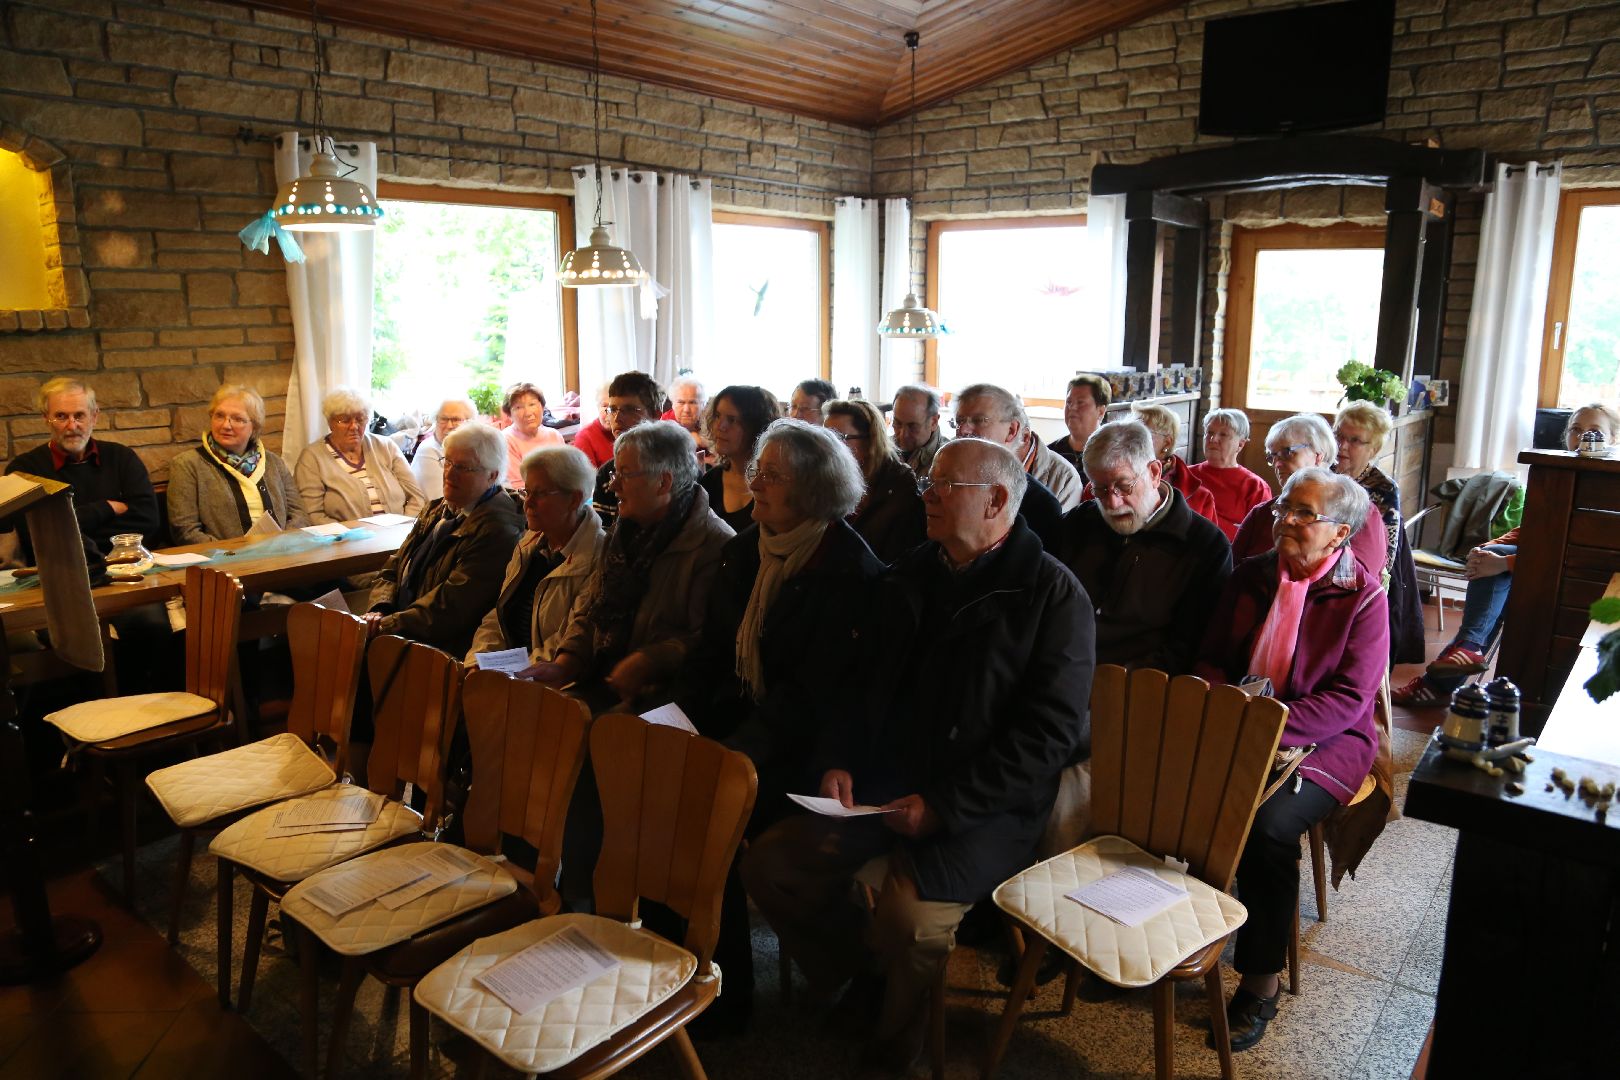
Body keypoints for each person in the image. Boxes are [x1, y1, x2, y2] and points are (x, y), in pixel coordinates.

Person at [743, 438, 1094, 1076]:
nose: (925, 494)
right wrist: (838, 759)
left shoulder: (1051, 596)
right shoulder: (909, 575)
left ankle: (896, 1031)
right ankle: (869, 976)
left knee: (908, 920)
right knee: (773, 866)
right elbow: (853, 686)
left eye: (943, 485)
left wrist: (945, 807)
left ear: (995, 500)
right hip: (884, 787)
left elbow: (1048, 737)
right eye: (929, 481)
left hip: (983, 807)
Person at [680, 419, 884, 1035]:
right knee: (656, 774)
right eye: (755, 472)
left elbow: (812, 697)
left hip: (811, 752)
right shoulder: (746, 549)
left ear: (814, 490)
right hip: (749, 726)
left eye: (772, 476)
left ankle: (726, 996)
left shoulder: (852, 573)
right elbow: (712, 653)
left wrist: (729, 755)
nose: (754, 484)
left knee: (705, 815)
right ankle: (685, 967)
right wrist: (683, 722)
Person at [1195, 467, 1387, 1052]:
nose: (1286, 521)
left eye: (1305, 513)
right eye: (1284, 509)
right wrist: (1226, 704)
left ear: (1341, 533)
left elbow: (1349, 700)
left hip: (1327, 740)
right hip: (1240, 719)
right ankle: (1170, 932)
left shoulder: (1363, 596)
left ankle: (1260, 979)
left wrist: (1266, 724)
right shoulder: (1251, 575)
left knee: (1268, 829)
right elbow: (1211, 658)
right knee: (1170, 796)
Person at [1394, 402, 1620, 706]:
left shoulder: (1609, 483)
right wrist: (1488, 550)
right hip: (1547, 564)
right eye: (1576, 430)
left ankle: (1450, 669)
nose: (1582, 439)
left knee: (1499, 576)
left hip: (1584, 579)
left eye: (1594, 432)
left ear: (1613, 439)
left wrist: (1505, 562)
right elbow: (1534, 531)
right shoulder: (1563, 475)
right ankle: (1459, 660)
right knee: (1497, 572)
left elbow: (1578, 551)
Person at [530, 420, 734, 710]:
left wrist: (649, 660)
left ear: (663, 482)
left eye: (624, 474)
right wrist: (565, 663)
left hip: (660, 700)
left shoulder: (713, 545)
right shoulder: (623, 532)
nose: (612, 484)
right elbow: (591, 608)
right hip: (600, 679)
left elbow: (707, 644)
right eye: (615, 472)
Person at [1058, 421, 1231, 674]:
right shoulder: (1077, 524)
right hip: (1062, 672)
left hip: (1139, 689)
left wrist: (1111, 685)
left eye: (1124, 486)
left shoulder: (1206, 546)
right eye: (1100, 489)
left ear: (1154, 473)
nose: (1113, 503)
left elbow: (1187, 647)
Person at [365, 422, 523, 657]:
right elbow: (396, 564)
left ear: (492, 475)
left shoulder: (498, 529)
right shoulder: (438, 509)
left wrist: (384, 626)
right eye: (447, 461)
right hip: (403, 627)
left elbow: (449, 609)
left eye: (462, 467)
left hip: (443, 649)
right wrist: (379, 608)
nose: (449, 473)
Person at [467, 445, 605, 667]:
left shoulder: (598, 555)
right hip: (513, 672)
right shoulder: (529, 544)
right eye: (527, 491)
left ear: (574, 499)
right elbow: (499, 616)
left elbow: (568, 640)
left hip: (552, 679)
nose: (527, 503)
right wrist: (478, 661)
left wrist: (513, 677)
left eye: (540, 493)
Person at [3, 377, 160, 559]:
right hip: (60, 573)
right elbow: (36, 538)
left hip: (128, 565)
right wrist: (106, 508)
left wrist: (70, 526)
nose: (72, 425)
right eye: (61, 416)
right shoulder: (24, 471)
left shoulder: (122, 458)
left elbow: (149, 522)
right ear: (46, 418)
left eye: (79, 415)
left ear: (94, 417)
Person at [1232, 413, 1388, 581]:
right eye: (1272, 456)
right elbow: (1233, 571)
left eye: (1287, 452)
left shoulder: (1359, 512)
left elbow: (1359, 582)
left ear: (1318, 455)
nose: (1277, 464)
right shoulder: (1263, 513)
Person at [168, 384, 310, 544]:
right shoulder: (187, 465)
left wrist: (284, 545)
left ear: (254, 426)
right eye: (219, 416)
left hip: (283, 554)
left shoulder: (274, 462)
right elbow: (184, 531)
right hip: (224, 561)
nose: (226, 425)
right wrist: (234, 553)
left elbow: (300, 515)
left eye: (237, 419)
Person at [295, 387, 425, 525]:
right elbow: (312, 514)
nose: (354, 426)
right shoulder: (312, 458)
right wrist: (350, 536)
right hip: (345, 542)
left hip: (398, 537)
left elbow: (416, 497)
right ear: (330, 422)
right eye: (345, 420)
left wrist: (404, 527)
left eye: (360, 419)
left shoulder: (386, 446)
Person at [824, 398, 926, 563]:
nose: (827, 447)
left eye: (838, 438)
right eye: (825, 437)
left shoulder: (899, 488)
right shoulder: (827, 480)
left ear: (870, 441)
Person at [954, 382, 1084, 511]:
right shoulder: (950, 464)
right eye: (959, 421)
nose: (963, 430)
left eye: (978, 420)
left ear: (1012, 430)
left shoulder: (1063, 478)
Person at [700, 385, 780, 533]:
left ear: (755, 427)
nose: (720, 426)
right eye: (717, 416)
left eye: (732, 420)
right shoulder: (710, 481)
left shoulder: (773, 485)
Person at [589, 372, 662, 527]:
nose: (617, 419)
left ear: (655, 415)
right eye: (613, 409)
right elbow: (603, 534)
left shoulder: (672, 466)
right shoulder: (606, 474)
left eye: (629, 409)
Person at [1188, 407, 1271, 542]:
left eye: (1223, 434)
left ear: (1240, 444)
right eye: (1209, 433)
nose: (1213, 439)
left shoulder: (1255, 487)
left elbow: (1260, 538)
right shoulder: (1186, 474)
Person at [1129, 402, 1218, 526]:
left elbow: (1208, 543)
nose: (1132, 439)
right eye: (1130, 432)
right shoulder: (1109, 478)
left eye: (1143, 433)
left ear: (1167, 443)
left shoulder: (1201, 498)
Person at [410, 398, 475, 502]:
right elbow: (442, 500)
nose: (449, 425)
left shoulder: (473, 449)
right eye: (443, 419)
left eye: (456, 419)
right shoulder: (428, 451)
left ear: (470, 423)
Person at [501, 382, 564, 488]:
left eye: (532, 404)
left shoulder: (555, 436)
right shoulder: (506, 440)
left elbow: (566, 474)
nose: (528, 413)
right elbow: (518, 486)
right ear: (509, 414)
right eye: (518, 407)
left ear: (542, 407)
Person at [1048, 373, 1110, 479]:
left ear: (1101, 411)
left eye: (1080, 402)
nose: (1072, 407)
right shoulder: (1050, 453)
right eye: (1069, 402)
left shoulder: (1112, 453)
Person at [891, 384, 945, 477]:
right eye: (898, 423)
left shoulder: (948, 460)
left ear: (934, 422)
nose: (903, 435)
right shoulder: (882, 450)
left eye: (913, 427)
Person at [663, 373, 710, 461]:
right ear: (673, 404)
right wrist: (689, 438)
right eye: (681, 402)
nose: (686, 410)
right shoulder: (665, 423)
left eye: (692, 402)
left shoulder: (711, 421)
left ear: (703, 405)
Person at [572, 384, 616, 468]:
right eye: (604, 406)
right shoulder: (585, 437)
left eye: (615, 408)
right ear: (598, 407)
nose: (610, 413)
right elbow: (587, 479)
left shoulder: (629, 432)